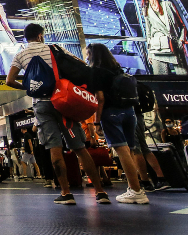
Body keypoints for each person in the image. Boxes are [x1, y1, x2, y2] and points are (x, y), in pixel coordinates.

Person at [6, 24, 110, 205]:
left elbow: (9, 80)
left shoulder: (21, 55)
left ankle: (66, 193)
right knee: (79, 148)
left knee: (54, 148)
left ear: (26, 37)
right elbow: (81, 64)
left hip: (42, 105)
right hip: (63, 102)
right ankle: (100, 192)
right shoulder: (54, 48)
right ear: (40, 35)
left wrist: (30, 88)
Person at [85, 43, 149, 204]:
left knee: (121, 150)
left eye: (87, 54)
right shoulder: (118, 69)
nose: (86, 57)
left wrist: (97, 121)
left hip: (111, 113)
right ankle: (135, 187)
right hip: (130, 112)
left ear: (93, 55)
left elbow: (100, 98)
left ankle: (136, 190)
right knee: (130, 150)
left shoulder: (96, 71)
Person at [140, 0, 187, 75]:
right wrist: (149, 52)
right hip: (157, 47)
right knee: (161, 76)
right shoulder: (145, 10)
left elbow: (182, 25)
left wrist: (181, 40)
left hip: (174, 45)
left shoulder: (167, 4)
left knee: (183, 76)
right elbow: (148, 32)